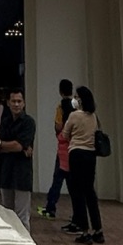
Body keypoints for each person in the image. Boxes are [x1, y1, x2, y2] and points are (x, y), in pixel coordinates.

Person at [61, 84, 104, 244]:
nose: (75, 99)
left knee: (78, 192)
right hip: (90, 154)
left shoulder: (74, 116)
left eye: (77, 97)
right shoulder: (93, 116)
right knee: (90, 192)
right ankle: (98, 229)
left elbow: (65, 135)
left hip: (76, 153)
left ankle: (84, 230)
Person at [0, 88, 35, 226]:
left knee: (21, 217)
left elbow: (17, 145)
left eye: (19, 101)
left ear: (24, 103)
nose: (16, 104)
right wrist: (11, 145)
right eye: (13, 101)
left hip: (22, 175)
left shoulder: (28, 122)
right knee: (6, 215)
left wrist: (3, 145)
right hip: (6, 173)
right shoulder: (5, 122)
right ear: (8, 102)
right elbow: (4, 145)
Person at [39, 77, 73, 218]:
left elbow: (58, 126)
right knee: (73, 182)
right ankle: (78, 213)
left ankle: (50, 207)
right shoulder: (77, 107)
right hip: (75, 148)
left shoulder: (61, 107)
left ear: (60, 91)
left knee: (57, 179)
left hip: (63, 148)